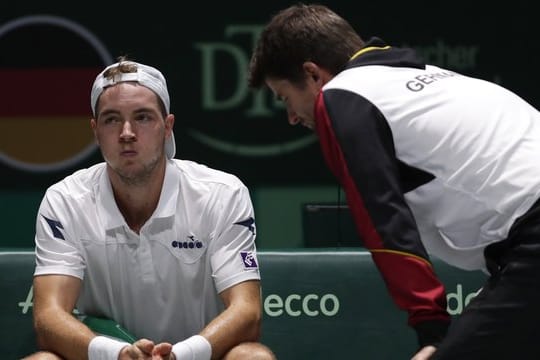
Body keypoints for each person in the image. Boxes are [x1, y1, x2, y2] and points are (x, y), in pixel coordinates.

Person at [248, 3, 540, 360]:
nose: (292, 117)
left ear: (313, 75)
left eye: (285, 98)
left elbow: (383, 219)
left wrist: (431, 328)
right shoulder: (427, 78)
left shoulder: (342, 98)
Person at [24, 57, 276, 360]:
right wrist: (117, 354)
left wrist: (178, 355)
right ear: (95, 130)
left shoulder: (222, 194)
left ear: (167, 127)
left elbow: (247, 310)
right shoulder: (64, 201)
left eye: (143, 117)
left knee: (252, 356)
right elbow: (48, 317)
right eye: (112, 119)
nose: (127, 132)